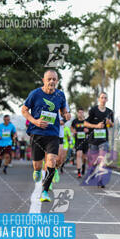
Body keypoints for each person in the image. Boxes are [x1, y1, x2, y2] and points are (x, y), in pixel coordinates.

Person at [21, 69, 70, 202]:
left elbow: (64, 110)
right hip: (37, 134)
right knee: (37, 165)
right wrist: (35, 121)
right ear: (43, 80)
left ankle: (45, 192)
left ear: (57, 81)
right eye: (49, 79)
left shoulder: (60, 95)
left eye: (54, 79)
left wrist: (66, 115)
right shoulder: (35, 94)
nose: (51, 81)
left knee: (51, 161)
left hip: (52, 134)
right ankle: (37, 171)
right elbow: (24, 110)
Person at [84, 92, 113, 189]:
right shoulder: (93, 110)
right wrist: (96, 126)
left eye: (105, 98)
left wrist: (109, 123)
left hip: (104, 140)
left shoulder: (109, 112)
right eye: (102, 98)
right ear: (99, 99)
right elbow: (85, 123)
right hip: (93, 140)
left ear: (107, 100)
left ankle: (101, 180)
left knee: (102, 159)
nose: (103, 99)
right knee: (93, 162)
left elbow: (111, 125)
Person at [71, 108, 89, 178]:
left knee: (84, 158)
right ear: (77, 113)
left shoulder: (86, 121)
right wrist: (73, 131)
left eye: (82, 112)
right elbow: (71, 128)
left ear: (83, 113)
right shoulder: (75, 121)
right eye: (79, 112)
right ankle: (79, 172)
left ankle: (84, 166)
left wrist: (87, 130)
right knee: (78, 155)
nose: (80, 114)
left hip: (85, 141)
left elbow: (90, 129)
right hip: (78, 141)